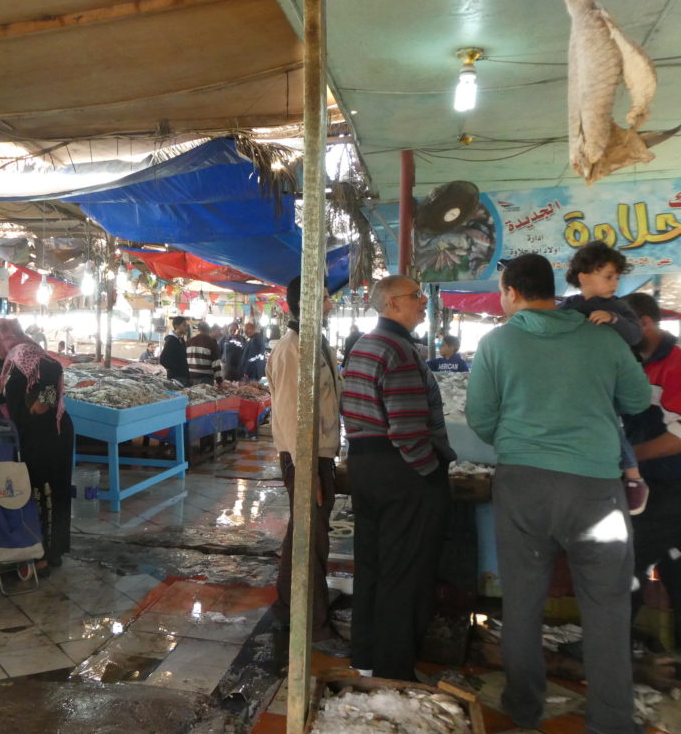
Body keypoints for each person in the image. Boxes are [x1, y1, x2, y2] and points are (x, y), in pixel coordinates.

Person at [466, 254, 649, 734]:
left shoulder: (496, 343)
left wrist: (520, 436)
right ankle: (611, 721)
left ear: (511, 293)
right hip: (596, 489)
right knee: (607, 606)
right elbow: (635, 399)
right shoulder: (603, 338)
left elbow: (481, 419)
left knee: (523, 602)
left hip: (523, 484)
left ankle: (525, 707)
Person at [341, 275, 454, 681]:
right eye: (415, 296)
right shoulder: (398, 349)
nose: (423, 302)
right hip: (398, 471)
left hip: (365, 467)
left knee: (372, 566)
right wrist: (427, 473)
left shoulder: (365, 345)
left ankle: (366, 658)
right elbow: (407, 428)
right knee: (403, 572)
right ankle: (394, 670)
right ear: (391, 304)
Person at [266, 276, 344, 653]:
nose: (330, 304)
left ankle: (286, 606)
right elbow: (292, 414)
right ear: (309, 303)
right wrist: (308, 470)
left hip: (318, 455)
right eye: (325, 298)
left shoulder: (316, 345)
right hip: (305, 458)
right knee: (312, 540)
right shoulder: (291, 350)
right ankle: (314, 626)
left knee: (303, 533)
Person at [0, 318, 74, 571]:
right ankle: (48, 551)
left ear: (3, 338)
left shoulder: (24, 352)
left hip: (49, 434)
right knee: (42, 491)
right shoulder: (13, 360)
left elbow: (52, 368)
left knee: (46, 491)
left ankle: (46, 555)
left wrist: (44, 400)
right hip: (36, 433)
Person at [561, 241, 645, 506]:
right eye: (609, 277)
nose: (615, 284)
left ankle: (633, 476)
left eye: (617, 278)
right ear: (584, 277)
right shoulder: (569, 307)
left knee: (611, 424)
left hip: (614, 381)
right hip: (584, 380)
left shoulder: (618, 308)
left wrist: (613, 320)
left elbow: (635, 336)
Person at [621, 292, 681, 650]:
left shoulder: (675, 364)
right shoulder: (628, 362)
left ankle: (614, 654)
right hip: (641, 486)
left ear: (644, 323)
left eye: (625, 326)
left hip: (671, 487)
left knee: (629, 566)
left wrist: (629, 456)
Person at [186, 321, 223, 386]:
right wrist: (219, 381)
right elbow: (216, 364)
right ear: (209, 330)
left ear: (198, 330)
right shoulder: (212, 343)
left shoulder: (188, 342)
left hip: (190, 377)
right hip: (205, 379)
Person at [159, 316, 190, 386]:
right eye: (184, 325)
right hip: (175, 378)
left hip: (183, 376)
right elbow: (163, 360)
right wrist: (177, 368)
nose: (186, 328)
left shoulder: (181, 340)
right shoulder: (171, 340)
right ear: (176, 326)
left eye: (186, 325)